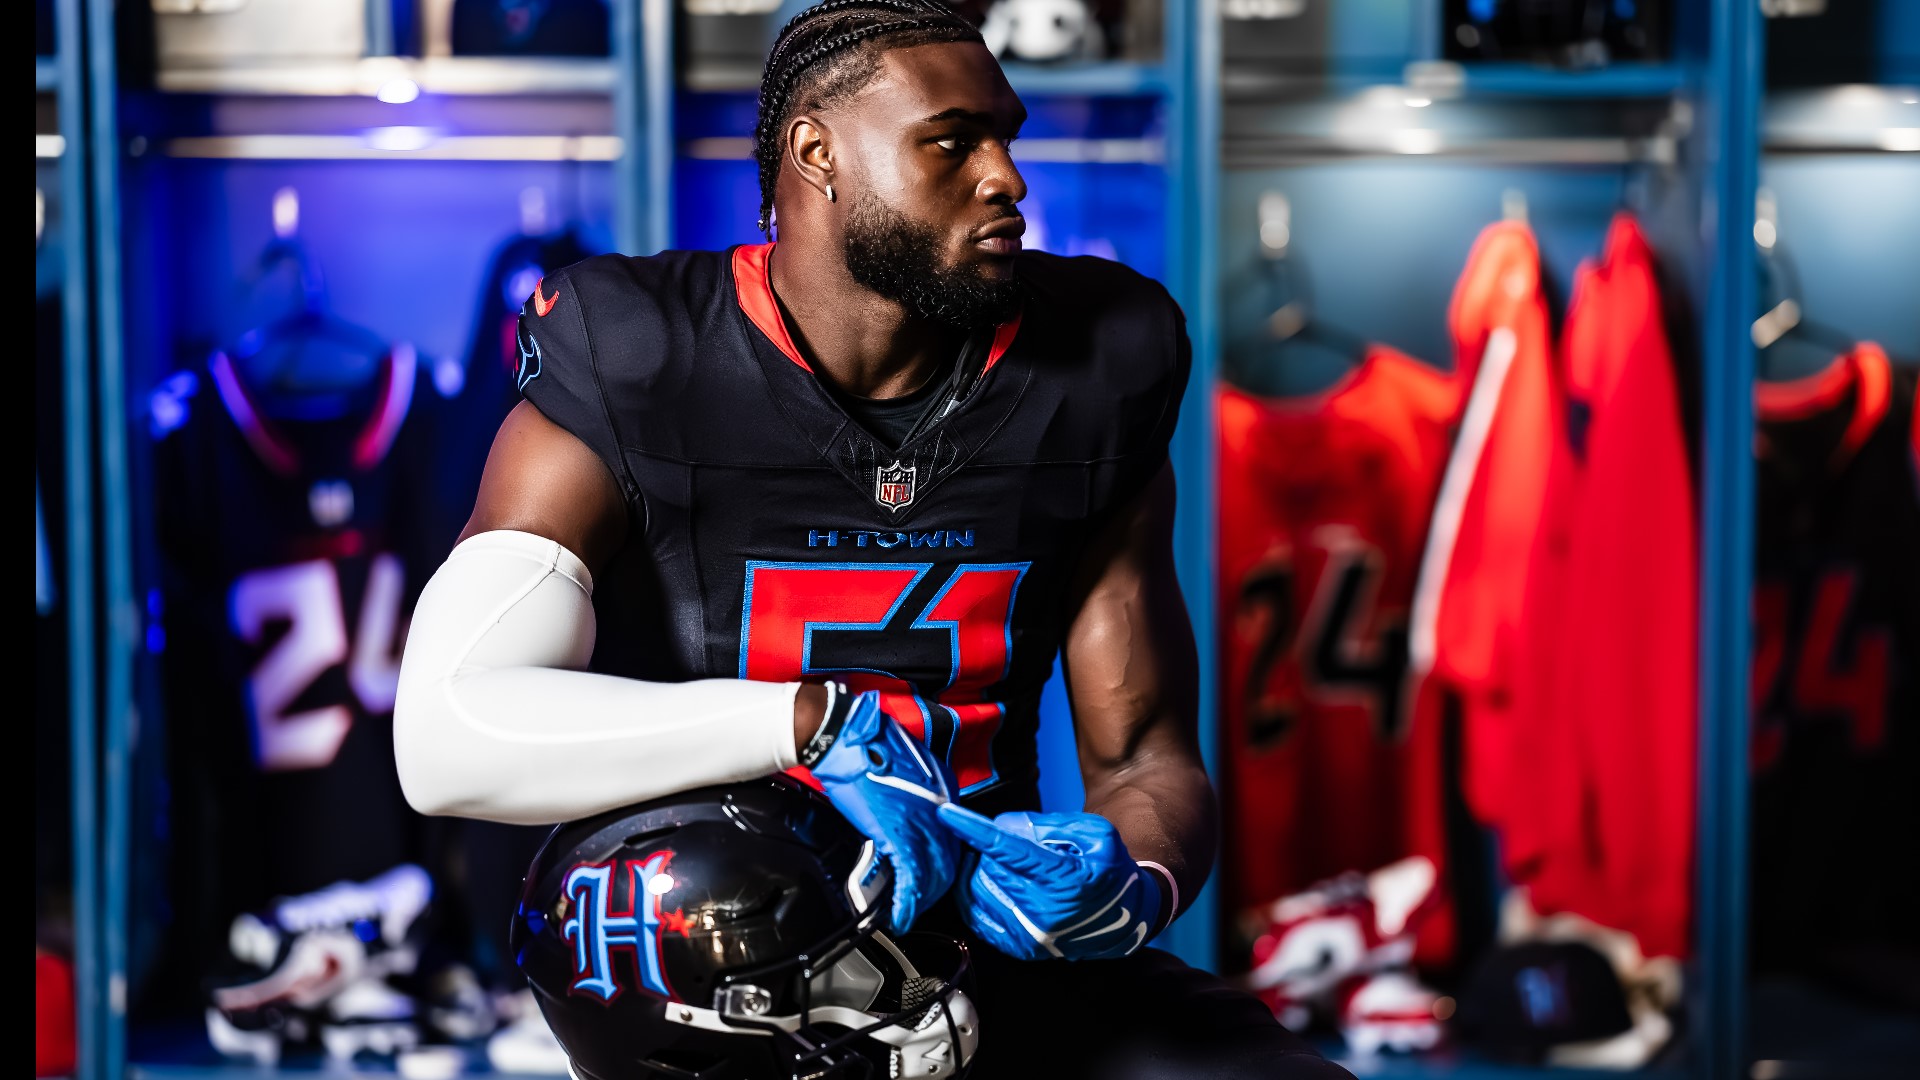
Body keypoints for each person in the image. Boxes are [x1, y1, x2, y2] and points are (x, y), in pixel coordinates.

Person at [394, 2, 1350, 1075]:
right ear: (818, 152)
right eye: (951, 142)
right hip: (734, 976)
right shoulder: (641, 357)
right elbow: (447, 732)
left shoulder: (1098, 362)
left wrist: (1130, 882)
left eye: (1007, 137)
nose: (1007, 179)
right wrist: (805, 725)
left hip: (985, 951)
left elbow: (1147, 759)